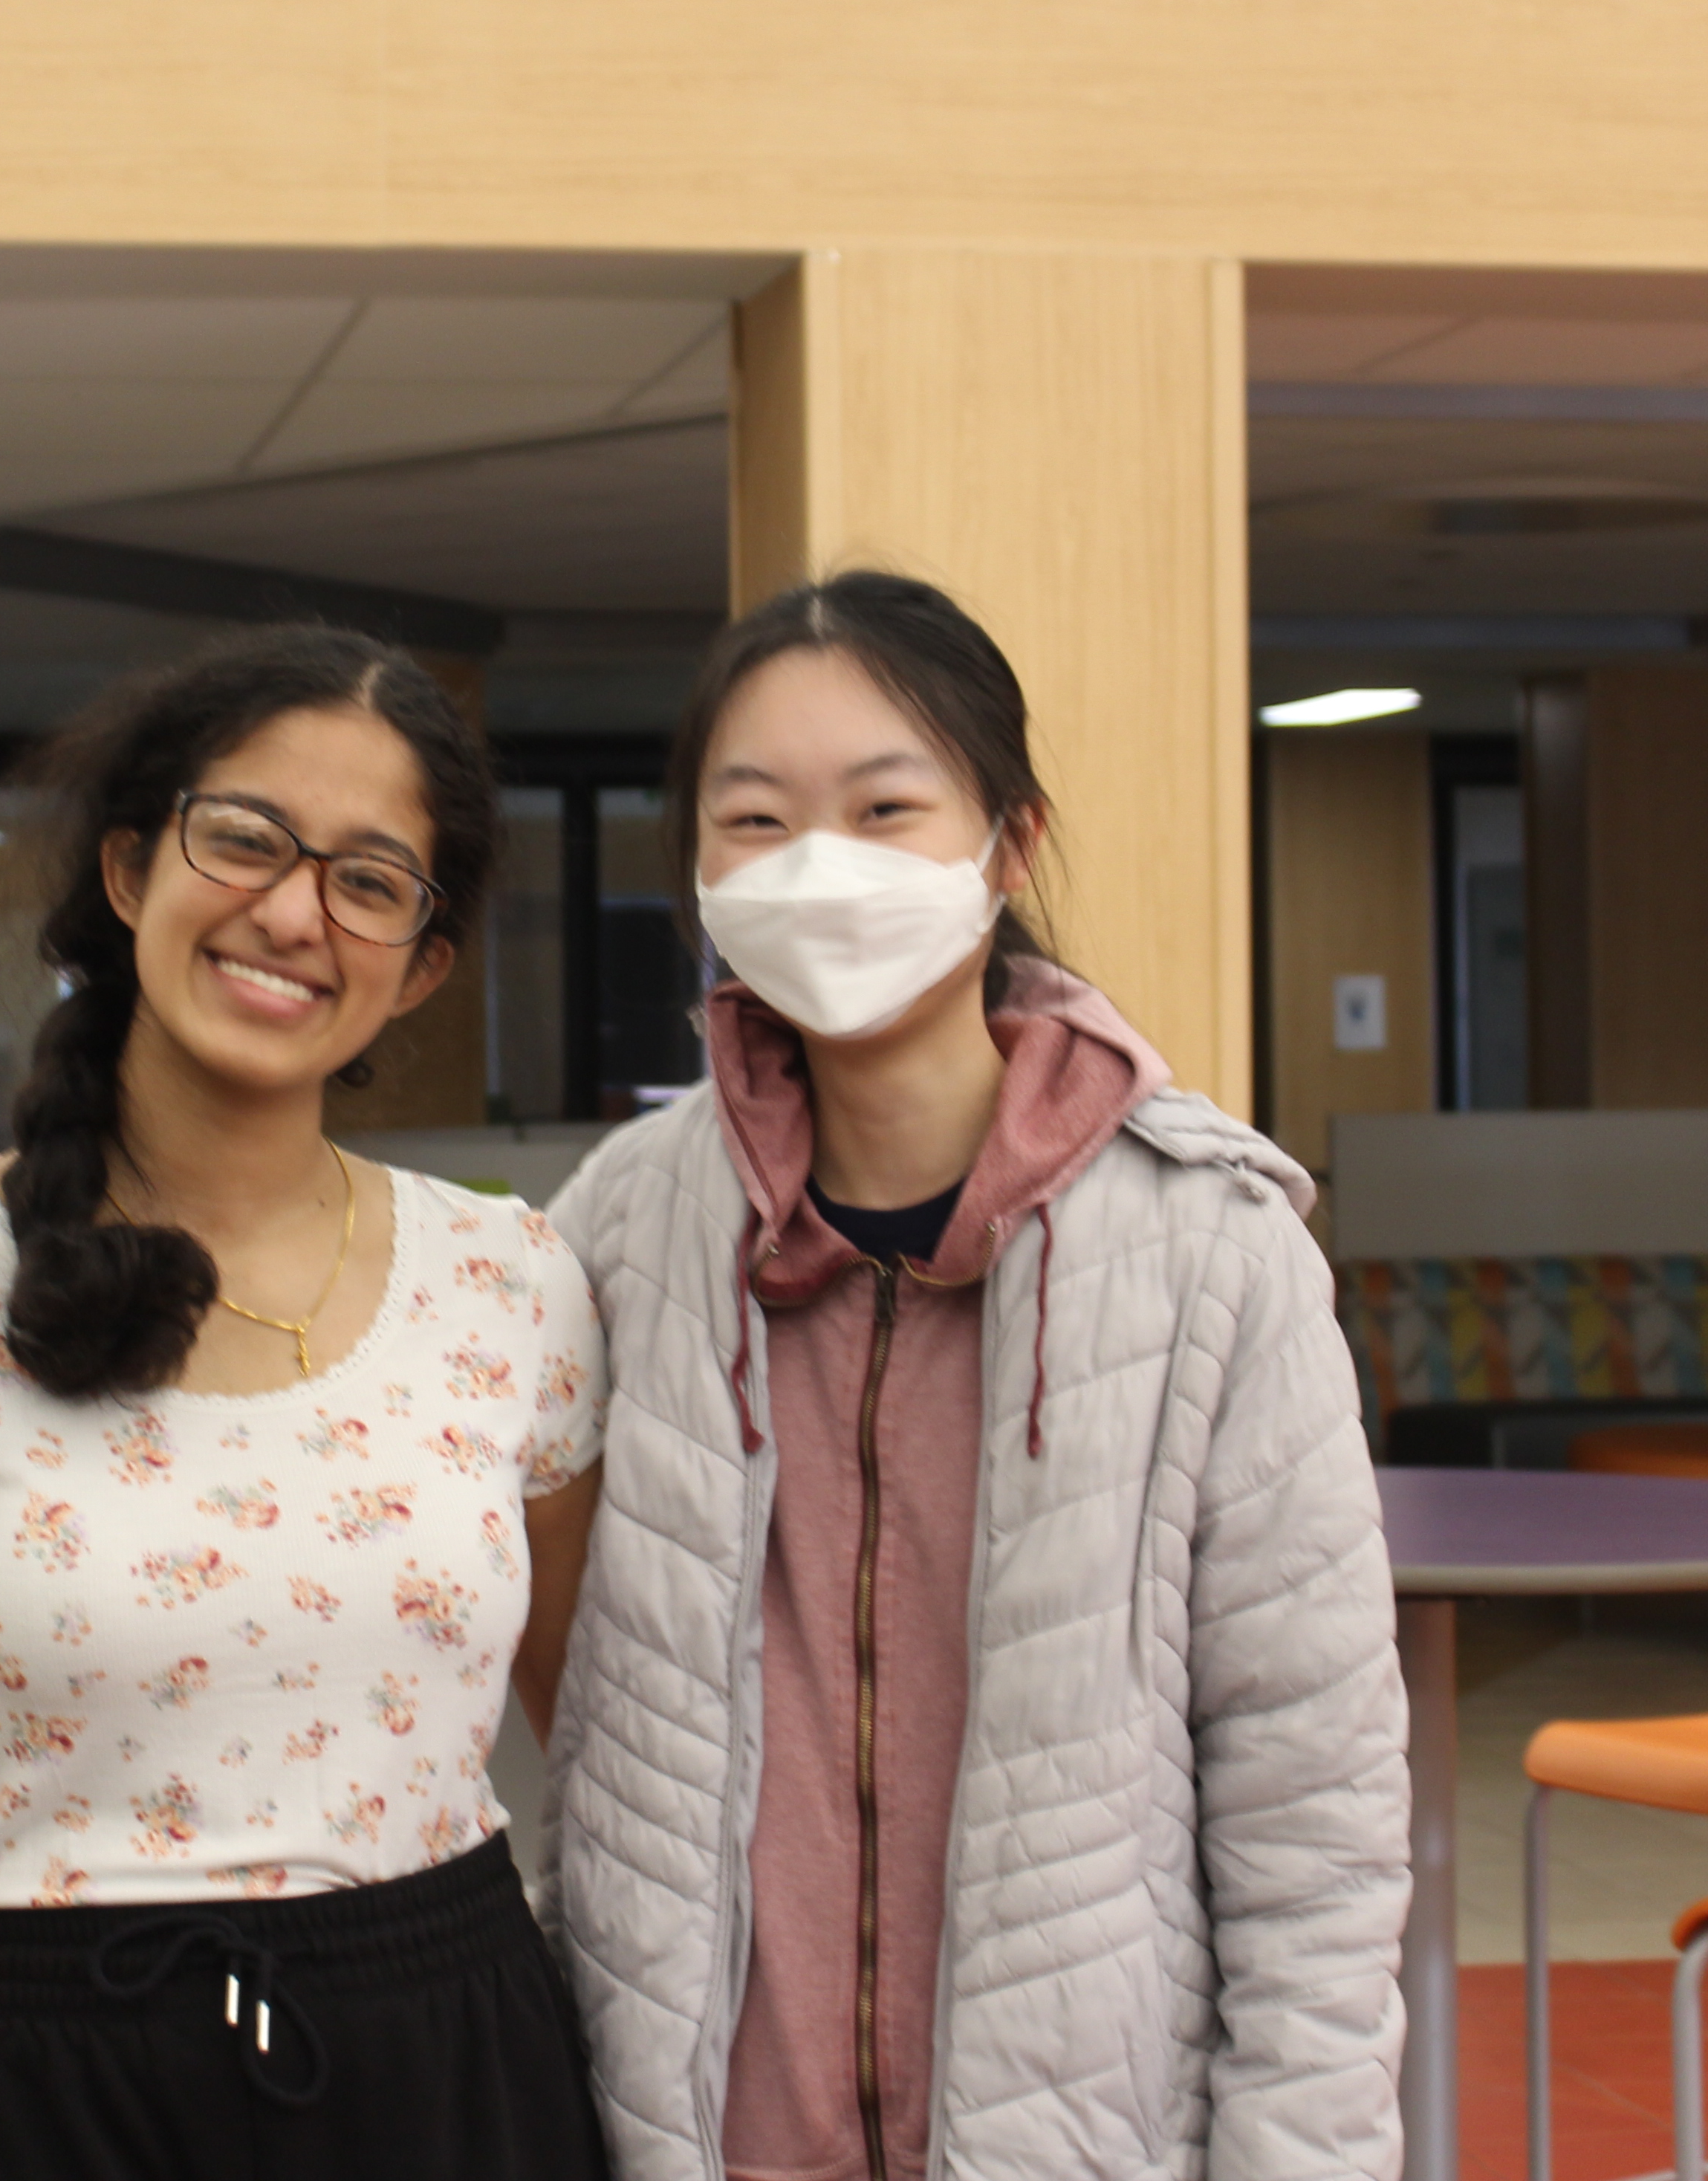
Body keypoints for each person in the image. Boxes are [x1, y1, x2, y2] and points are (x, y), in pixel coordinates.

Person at [545, 571, 1409, 2181]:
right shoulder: (618, 1234)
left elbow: (1318, 1816)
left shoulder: (1211, 1251)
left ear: (1010, 846)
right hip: (704, 2136)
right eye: (755, 822)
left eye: (886, 809)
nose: (820, 868)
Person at [0, 626, 611, 2181]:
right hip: (55, 2101)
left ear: (421, 965)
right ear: (134, 868)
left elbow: (620, 1770)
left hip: (455, 2084)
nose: (293, 912)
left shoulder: (513, 1285)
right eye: (247, 838)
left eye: (369, 880)